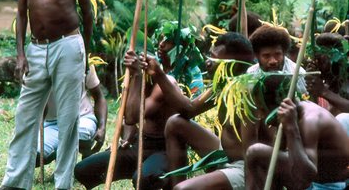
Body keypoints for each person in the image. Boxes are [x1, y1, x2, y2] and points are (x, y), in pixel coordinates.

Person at [0, 0, 93, 190]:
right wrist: (20, 54)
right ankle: (15, 183)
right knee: (24, 115)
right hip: (36, 49)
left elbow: (87, 13)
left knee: (68, 119)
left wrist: (88, 54)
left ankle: (63, 185)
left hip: (68, 46)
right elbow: (21, 14)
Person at [75, 27, 190, 190]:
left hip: (164, 150)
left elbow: (133, 116)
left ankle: (160, 178)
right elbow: (128, 120)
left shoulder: (165, 82)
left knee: (143, 179)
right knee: (83, 170)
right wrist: (127, 137)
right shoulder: (135, 80)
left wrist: (137, 76)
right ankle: (141, 170)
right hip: (140, 145)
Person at [148, 32, 255, 190]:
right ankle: (175, 184)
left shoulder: (249, 92)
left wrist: (159, 74)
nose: (208, 62)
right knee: (175, 123)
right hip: (225, 154)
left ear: (235, 65)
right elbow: (188, 110)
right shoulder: (223, 85)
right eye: (209, 56)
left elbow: (254, 151)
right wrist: (159, 74)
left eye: (214, 59)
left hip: (245, 167)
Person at [246, 75, 349, 189]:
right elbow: (279, 150)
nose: (260, 115)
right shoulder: (293, 113)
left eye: (261, 109)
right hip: (315, 180)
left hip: (331, 185)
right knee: (264, 159)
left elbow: (305, 178)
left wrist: (291, 129)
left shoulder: (310, 121)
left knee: (255, 152)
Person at [35, 64, 107, 167]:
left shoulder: (83, 62)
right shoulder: (36, 65)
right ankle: (59, 152)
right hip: (51, 124)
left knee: (82, 133)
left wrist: (102, 127)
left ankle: (68, 158)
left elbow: (99, 97)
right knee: (34, 155)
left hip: (82, 118)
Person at [305, 33, 349, 135]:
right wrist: (313, 92)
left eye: (328, 56)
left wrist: (324, 92)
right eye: (317, 57)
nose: (320, 61)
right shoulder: (322, 81)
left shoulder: (345, 77)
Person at [247, 25, 308, 95]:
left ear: (284, 53)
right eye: (266, 56)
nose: (273, 61)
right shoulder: (251, 74)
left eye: (277, 54)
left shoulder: (298, 73)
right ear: (257, 56)